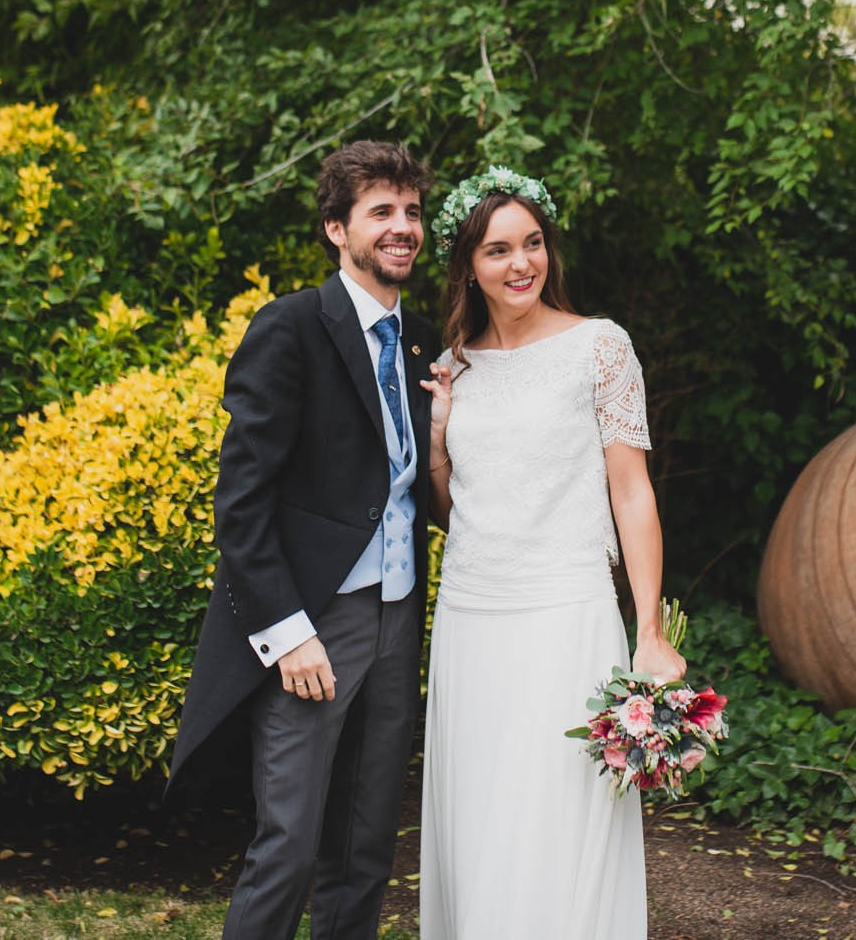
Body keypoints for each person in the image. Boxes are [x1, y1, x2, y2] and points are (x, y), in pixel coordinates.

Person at [166, 140, 442, 940]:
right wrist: (288, 633)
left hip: (398, 619)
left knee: (364, 846)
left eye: (412, 212)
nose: (402, 227)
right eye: (381, 212)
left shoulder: (421, 341)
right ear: (336, 228)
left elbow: (415, 482)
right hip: (313, 625)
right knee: (288, 840)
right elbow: (241, 502)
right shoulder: (289, 328)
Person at [416, 165, 684, 940]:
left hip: (564, 611)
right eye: (498, 250)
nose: (520, 263)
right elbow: (447, 505)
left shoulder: (599, 347)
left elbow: (632, 492)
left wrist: (650, 629)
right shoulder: (456, 361)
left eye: (532, 243)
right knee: (482, 814)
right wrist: (439, 432)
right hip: (471, 612)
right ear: (469, 262)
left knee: (555, 814)